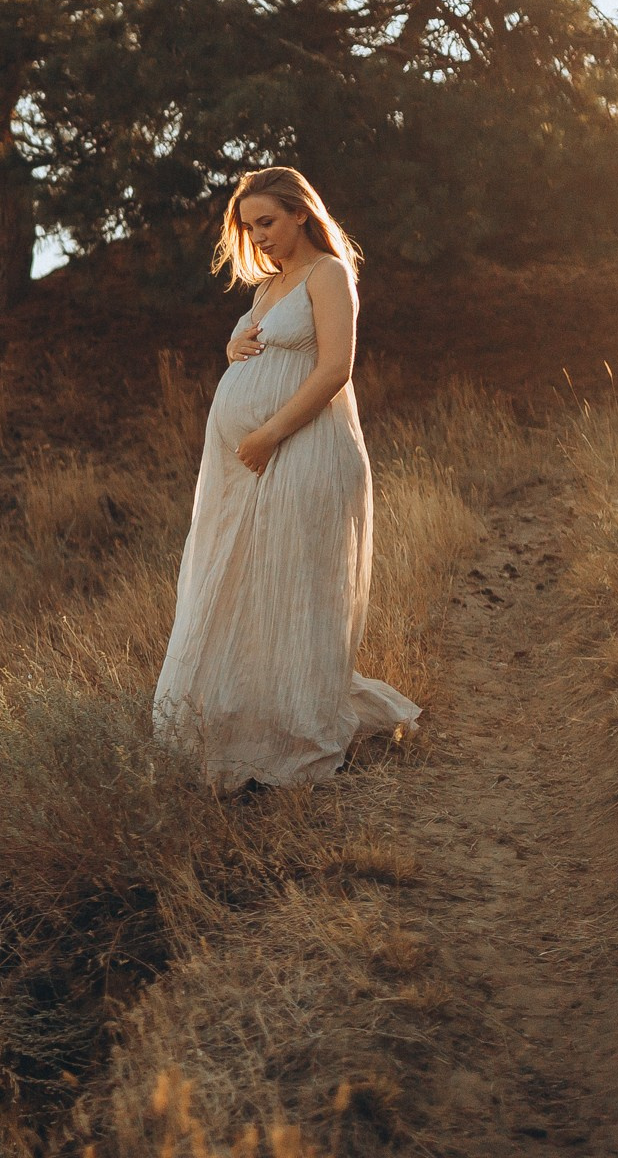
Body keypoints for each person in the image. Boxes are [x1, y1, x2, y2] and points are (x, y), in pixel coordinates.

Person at [152, 166, 419, 788]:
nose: (259, 236)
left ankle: (297, 731)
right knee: (246, 586)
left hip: (304, 449)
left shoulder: (330, 275)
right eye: (249, 227)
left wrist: (270, 432)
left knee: (294, 586)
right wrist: (232, 352)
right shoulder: (268, 288)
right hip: (243, 468)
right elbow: (257, 344)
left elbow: (335, 371)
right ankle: (243, 724)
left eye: (267, 221)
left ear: (301, 212)